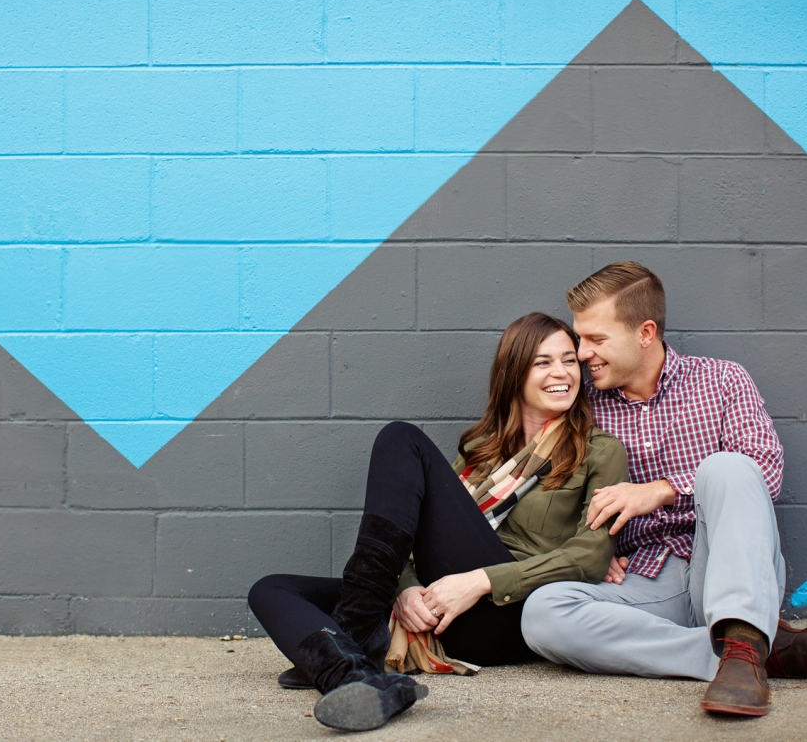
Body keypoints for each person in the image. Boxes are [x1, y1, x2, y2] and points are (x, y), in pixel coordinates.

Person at [247, 312, 628, 732]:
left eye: (569, 360)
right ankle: (351, 676)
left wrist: (478, 581)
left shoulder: (599, 452)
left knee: (401, 437)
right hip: (436, 606)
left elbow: (590, 557)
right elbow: (413, 532)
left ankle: (354, 632)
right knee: (271, 589)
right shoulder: (481, 450)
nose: (562, 372)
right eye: (543, 362)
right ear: (514, 373)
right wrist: (406, 588)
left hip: (504, 614)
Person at [521, 262, 807, 718]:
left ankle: (742, 635)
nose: (582, 352)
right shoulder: (583, 405)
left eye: (596, 339)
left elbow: (766, 473)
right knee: (542, 614)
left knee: (727, 467)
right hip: (646, 581)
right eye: (580, 338)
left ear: (645, 333)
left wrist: (662, 491)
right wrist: (591, 548)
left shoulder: (722, 380)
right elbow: (555, 494)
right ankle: (747, 654)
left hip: (727, 565)